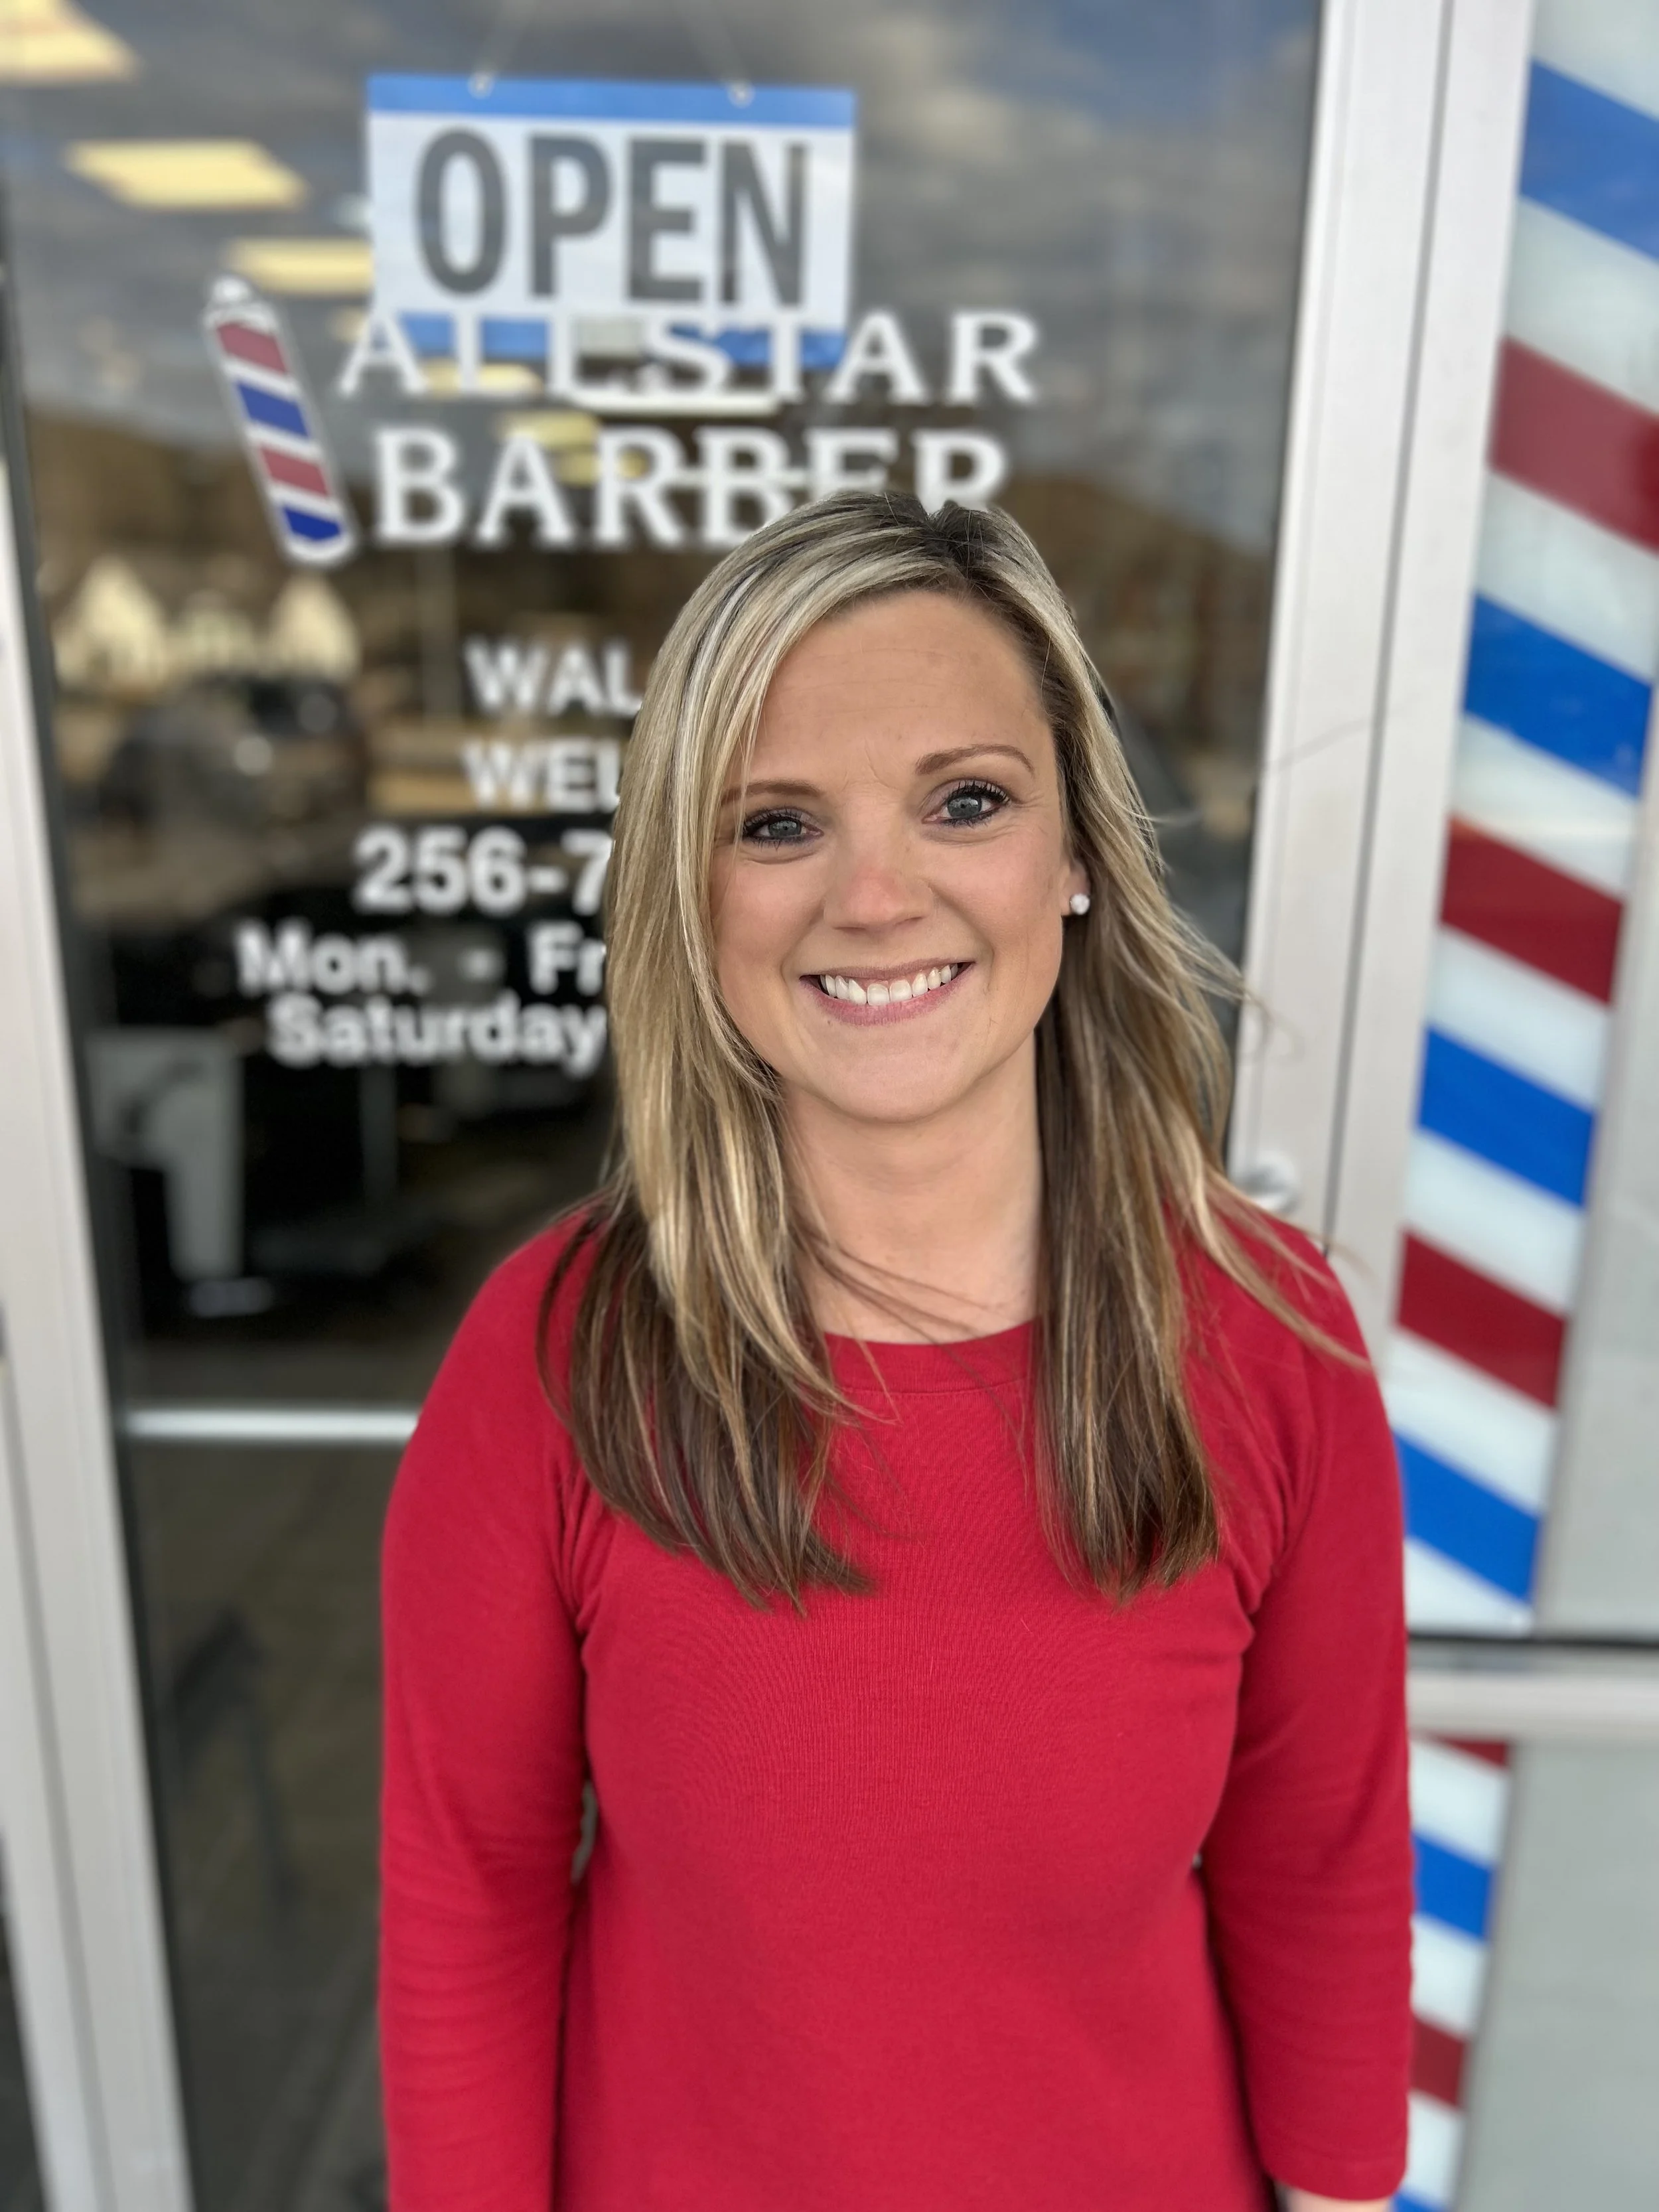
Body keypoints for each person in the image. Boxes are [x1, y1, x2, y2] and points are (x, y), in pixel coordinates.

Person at [378, 491, 1412, 2211]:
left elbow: (1315, 1857)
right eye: (775, 822)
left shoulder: (1267, 1333)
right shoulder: (559, 1353)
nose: (875, 894)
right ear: (688, 896)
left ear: (1072, 850)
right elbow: (472, 1878)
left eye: (964, 801)